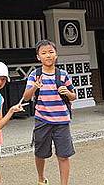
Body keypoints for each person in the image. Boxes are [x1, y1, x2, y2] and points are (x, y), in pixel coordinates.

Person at [23, 40, 77, 185]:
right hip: (42, 120)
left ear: (56, 55)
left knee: (64, 155)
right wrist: (34, 87)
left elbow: (73, 96)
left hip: (62, 121)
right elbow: (26, 97)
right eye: (44, 53)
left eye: (51, 52)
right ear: (38, 57)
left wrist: (68, 93)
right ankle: (41, 178)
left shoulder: (63, 75)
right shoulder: (35, 75)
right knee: (40, 153)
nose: (48, 55)